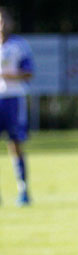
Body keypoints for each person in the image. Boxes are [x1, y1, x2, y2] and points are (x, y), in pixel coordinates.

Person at [0, 7, 33, 206]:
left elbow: (29, 72)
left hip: (13, 99)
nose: (2, 23)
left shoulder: (19, 45)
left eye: (4, 19)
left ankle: (23, 190)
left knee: (15, 144)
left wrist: (8, 75)